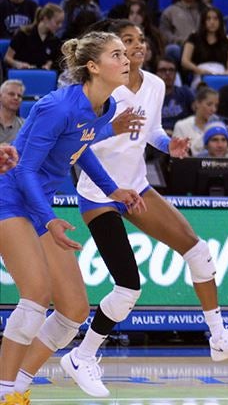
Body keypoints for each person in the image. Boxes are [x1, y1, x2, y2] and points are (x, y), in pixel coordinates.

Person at [63, 21, 228, 397]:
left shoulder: (154, 84)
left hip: (137, 187)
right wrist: (112, 129)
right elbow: (76, 145)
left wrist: (169, 144)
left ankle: (218, 337)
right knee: (127, 289)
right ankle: (82, 355)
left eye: (140, 41)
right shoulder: (96, 90)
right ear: (110, 52)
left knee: (199, 252)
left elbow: (151, 130)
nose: (136, 47)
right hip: (99, 193)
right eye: (126, 43)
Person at [0, 32, 146, 402]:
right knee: (35, 296)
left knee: (74, 310)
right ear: (93, 67)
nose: (127, 58)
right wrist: (49, 219)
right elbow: (24, 171)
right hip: (12, 200)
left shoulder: (107, 107)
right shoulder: (57, 107)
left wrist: (112, 189)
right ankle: (3, 392)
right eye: (117, 54)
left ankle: (19, 385)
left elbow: (79, 148)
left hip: (39, 205)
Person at [180, 6, 228, 80]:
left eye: (215, 19)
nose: (212, 22)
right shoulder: (194, 38)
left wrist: (223, 75)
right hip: (200, 74)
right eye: (208, 19)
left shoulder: (227, 42)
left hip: (221, 75)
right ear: (203, 22)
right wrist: (199, 70)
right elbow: (185, 61)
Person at [0, 79, 25, 145]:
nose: (16, 98)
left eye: (19, 96)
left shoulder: (25, 125)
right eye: (11, 94)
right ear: (0, 96)